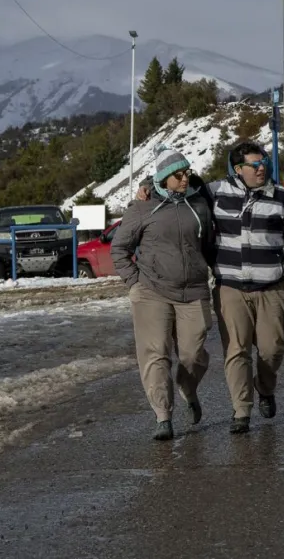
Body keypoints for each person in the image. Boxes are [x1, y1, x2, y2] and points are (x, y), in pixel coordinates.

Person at [111, 145, 215, 441]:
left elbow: (208, 246)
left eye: (187, 173)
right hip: (152, 292)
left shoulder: (200, 205)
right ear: (164, 178)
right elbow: (119, 249)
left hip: (193, 290)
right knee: (155, 353)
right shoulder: (142, 208)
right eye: (178, 175)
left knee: (193, 354)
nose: (184, 179)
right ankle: (163, 416)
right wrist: (134, 283)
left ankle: (187, 386)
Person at [211, 141, 284, 434]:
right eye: (254, 165)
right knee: (236, 351)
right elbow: (180, 190)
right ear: (238, 169)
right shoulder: (215, 193)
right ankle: (241, 410)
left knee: (271, 349)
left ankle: (265, 388)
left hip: (272, 287)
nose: (261, 167)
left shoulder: (282, 196)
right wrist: (147, 188)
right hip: (230, 287)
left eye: (263, 161)